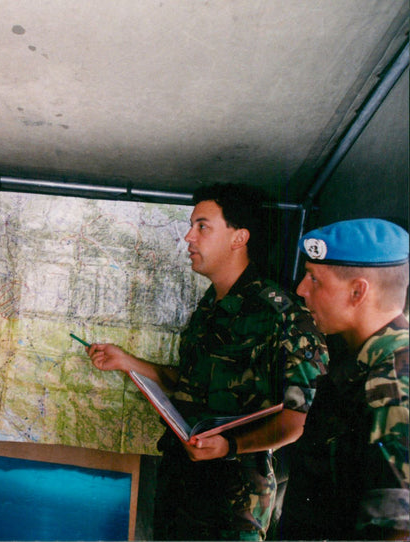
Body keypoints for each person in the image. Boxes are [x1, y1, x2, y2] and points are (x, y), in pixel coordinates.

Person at [86, 183, 328, 540]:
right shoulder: (209, 307)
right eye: (191, 225)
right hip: (183, 488)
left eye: (202, 226)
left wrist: (230, 446)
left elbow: (298, 421)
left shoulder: (282, 314)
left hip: (234, 505)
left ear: (238, 237)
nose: (188, 237)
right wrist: (128, 362)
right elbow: (188, 384)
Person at [278, 218, 409, 540]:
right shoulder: (360, 366)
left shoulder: (392, 385)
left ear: (357, 291)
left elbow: (395, 531)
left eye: (314, 279)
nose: (301, 290)